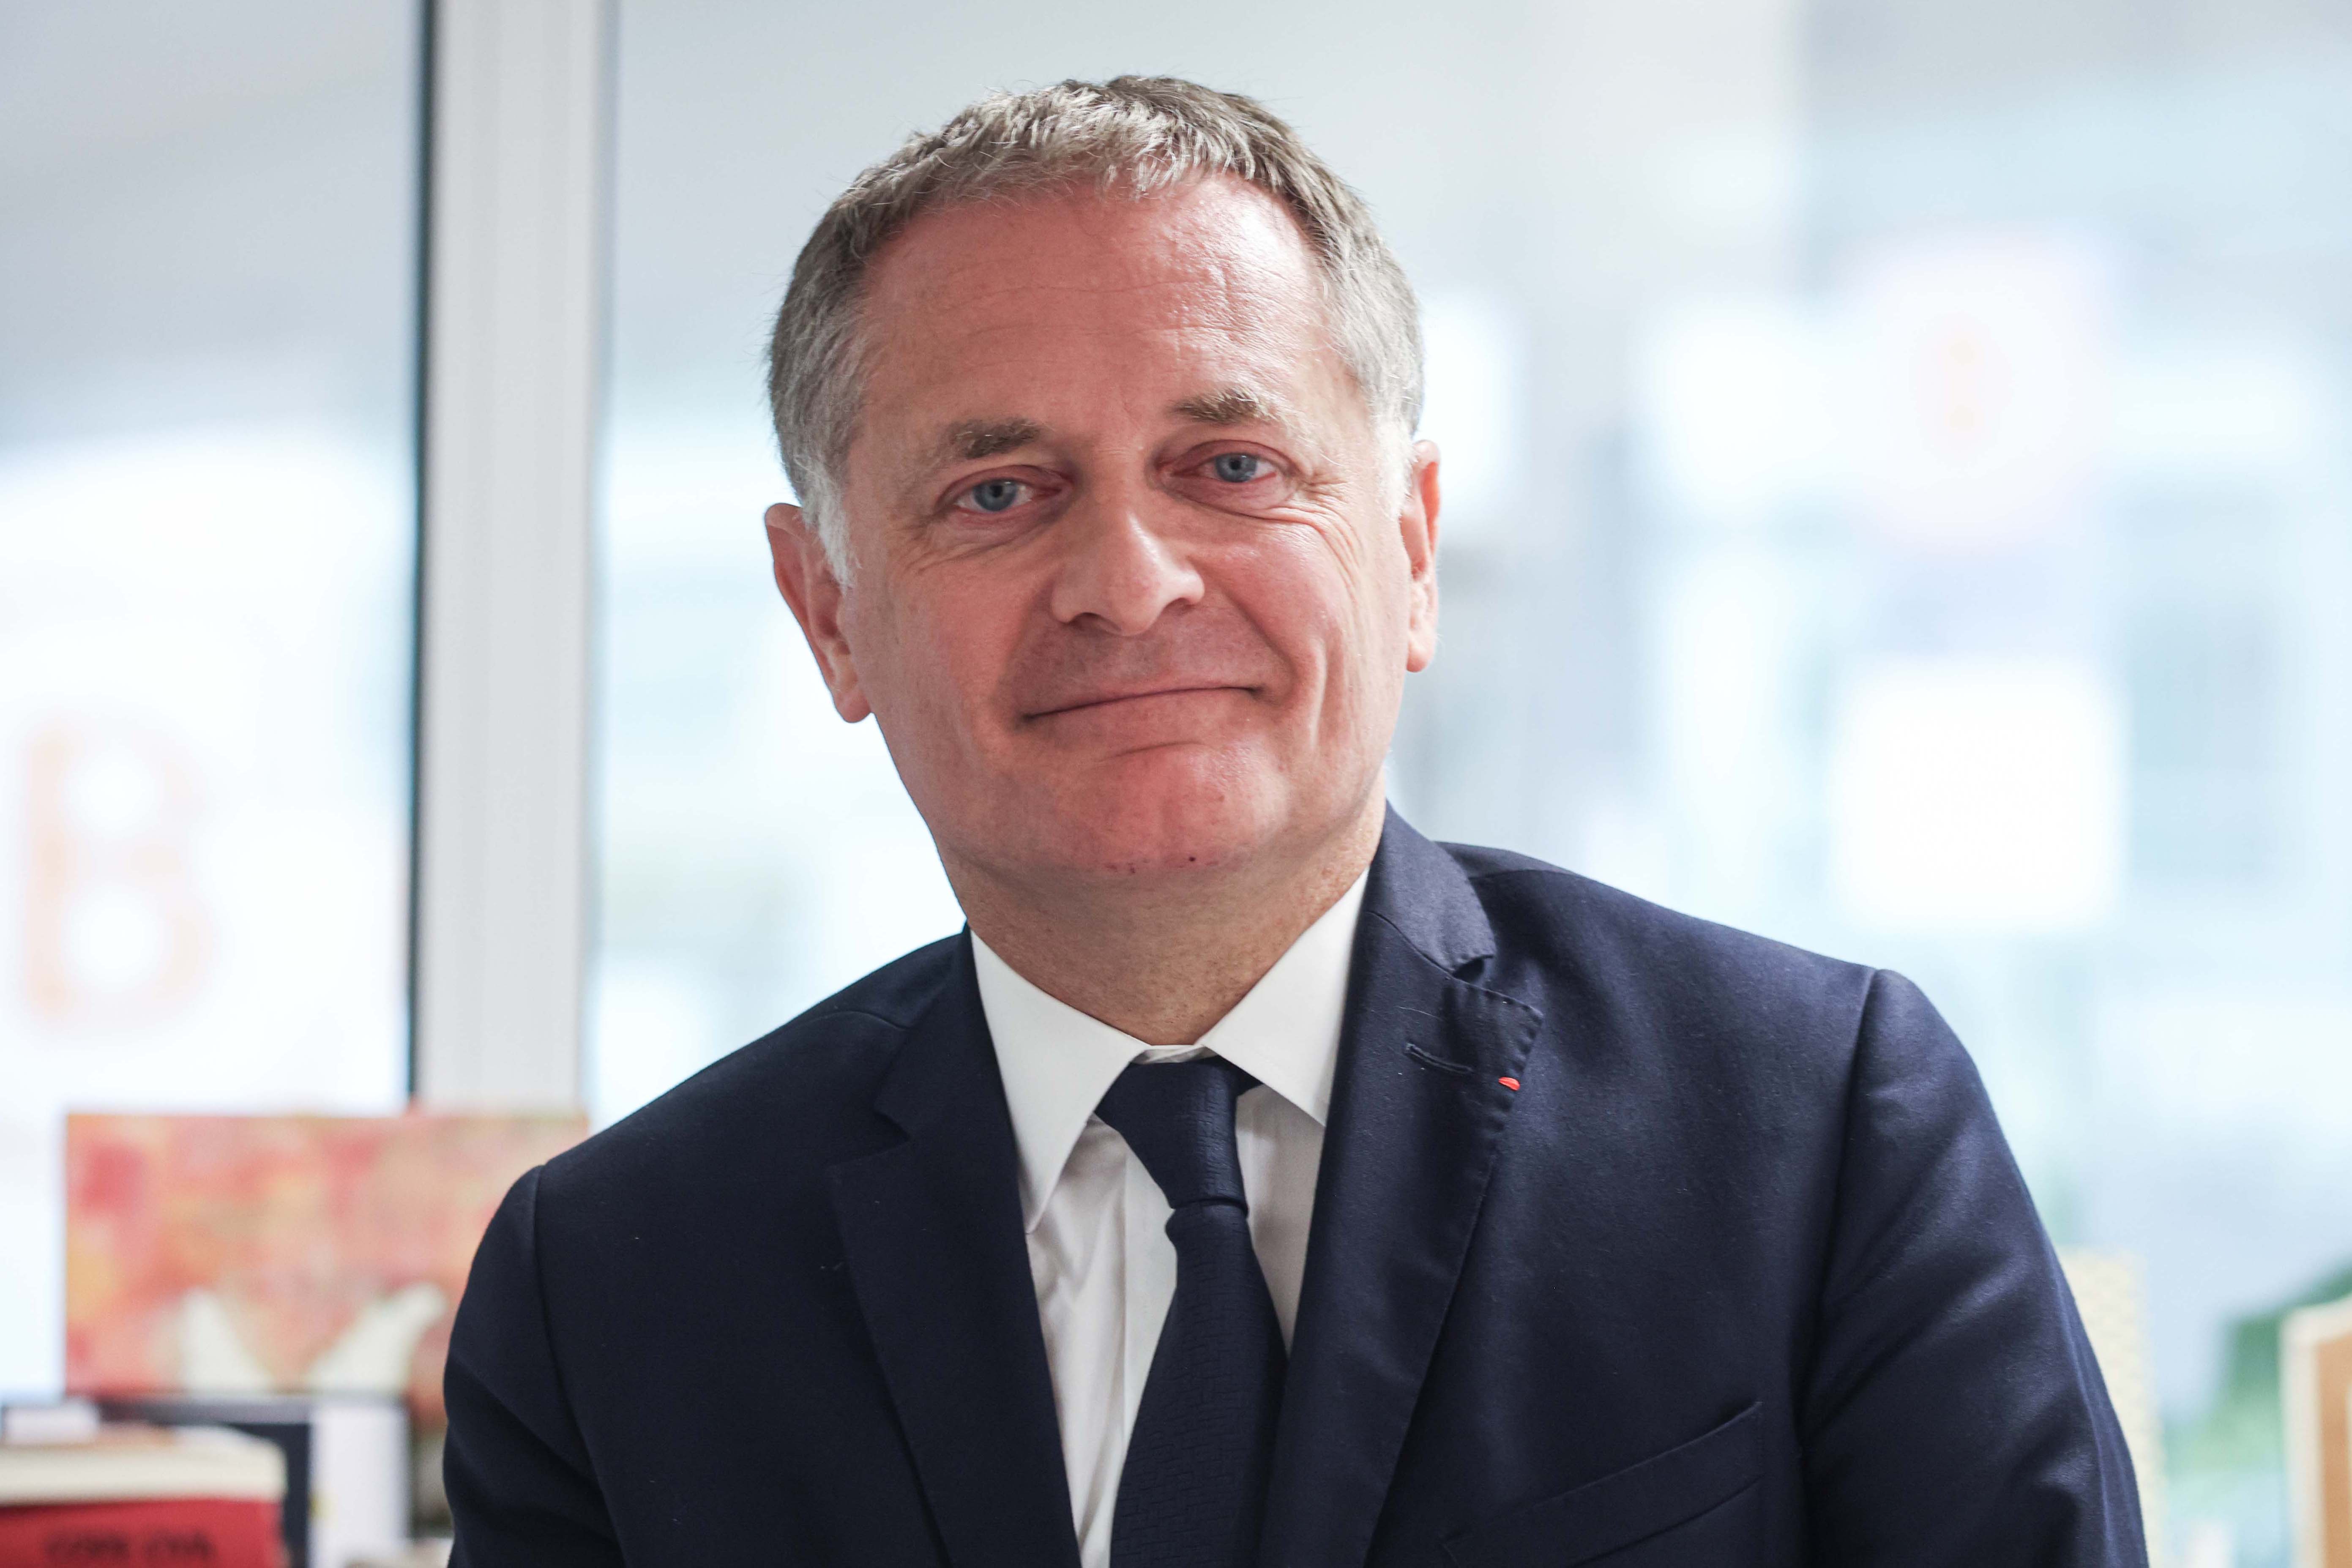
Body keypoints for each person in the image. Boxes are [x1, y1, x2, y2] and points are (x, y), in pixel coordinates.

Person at [443, 76, 2147, 1568]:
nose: (1129, 583)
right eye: (999, 492)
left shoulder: (1820, 1128)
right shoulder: (612, 1286)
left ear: (1409, 546)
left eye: (1233, 467)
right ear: (828, 611)